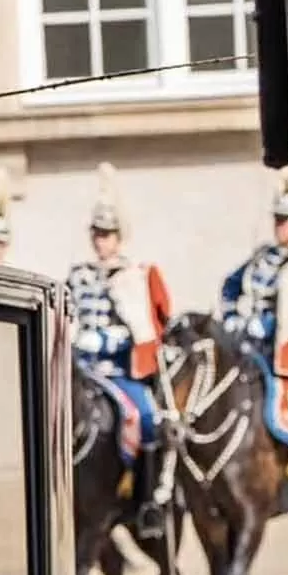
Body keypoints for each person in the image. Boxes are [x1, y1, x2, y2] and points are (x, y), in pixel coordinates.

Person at [68, 165, 178, 538]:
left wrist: (108, 339)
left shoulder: (133, 275)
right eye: (97, 234)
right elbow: (68, 315)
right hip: (82, 367)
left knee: (146, 417)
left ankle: (147, 503)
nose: (102, 241)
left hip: (117, 370)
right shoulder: (79, 274)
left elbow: (143, 326)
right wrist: (74, 338)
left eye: (108, 234)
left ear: (120, 237)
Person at [218, 180, 288, 363]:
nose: (278, 225)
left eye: (284, 220)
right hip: (252, 341)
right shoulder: (263, 256)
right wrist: (231, 317)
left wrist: (269, 325)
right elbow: (231, 284)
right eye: (277, 219)